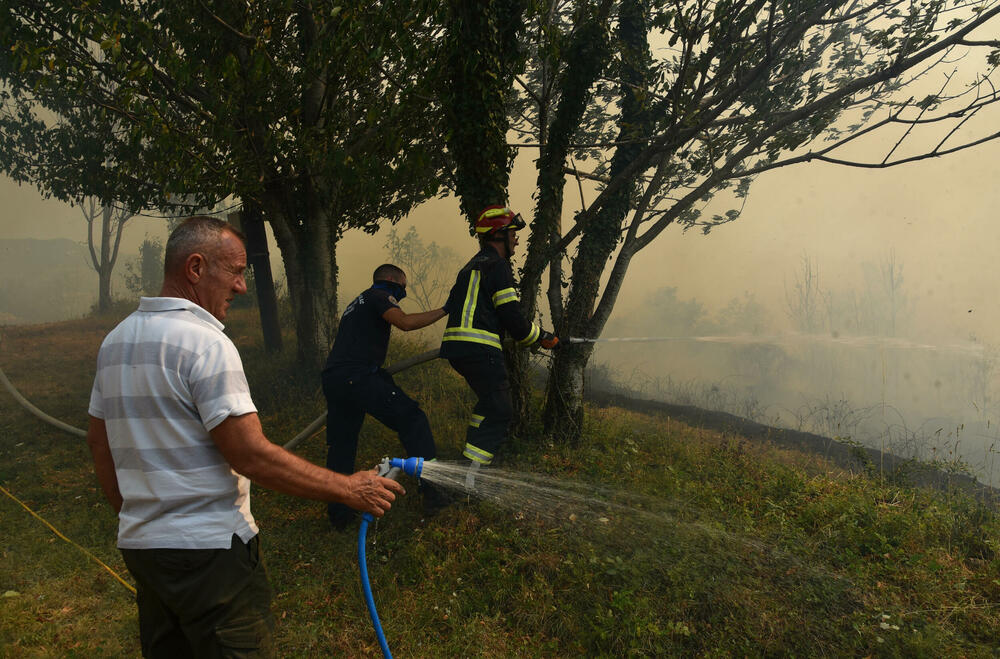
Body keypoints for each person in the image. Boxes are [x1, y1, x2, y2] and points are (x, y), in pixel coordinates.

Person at [85, 216, 405, 658]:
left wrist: (139, 516)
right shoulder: (206, 344)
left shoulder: (116, 341)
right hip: (212, 557)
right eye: (234, 272)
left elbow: (99, 443)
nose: (240, 287)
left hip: (144, 551)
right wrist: (349, 487)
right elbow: (250, 455)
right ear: (195, 268)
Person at [321, 264, 449, 528]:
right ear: (392, 280)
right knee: (412, 419)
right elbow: (405, 323)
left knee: (342, 446)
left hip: (336, 378)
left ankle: (339, 516)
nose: (403, 292)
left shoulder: (358, 302)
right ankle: (434, 492)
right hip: (357, 377)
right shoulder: (380, 294)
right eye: (402, 286)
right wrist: (446, 310)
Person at [439, 205, 559, 484]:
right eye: (513, 233)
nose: (517, 239)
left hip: (458, 348)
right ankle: (468, 475)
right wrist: (541, 337)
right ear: (499, 235)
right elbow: (512, 317)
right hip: (479, 347)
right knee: (502, 410)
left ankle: (468, 464)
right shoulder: (498, 266)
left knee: (490, 403)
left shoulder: (470, 266)